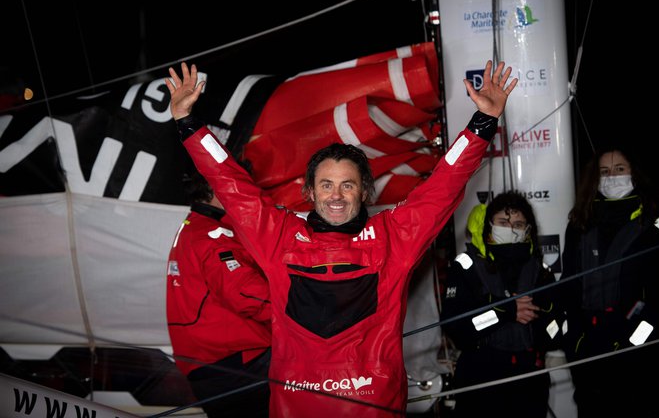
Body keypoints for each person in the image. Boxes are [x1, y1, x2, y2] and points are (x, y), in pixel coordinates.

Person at [165, 59, 517, 417]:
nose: (336, 196)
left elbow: (445, 183)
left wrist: (483, 123)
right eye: (326, 185)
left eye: (347, 185)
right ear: (310, 192)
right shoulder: (279, 237)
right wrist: (188, 124)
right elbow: (228, 180)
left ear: (364, 191)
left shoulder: (393, 237)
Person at [440, 190, 563, 418]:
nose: (511, 229)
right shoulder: (467, 267)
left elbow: (556, 327)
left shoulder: (540, 271)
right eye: (503, 222)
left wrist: (538, 320)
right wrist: (506, 311)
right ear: (489, 225)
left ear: (528, 229)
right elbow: (456, 328)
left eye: (518, 223)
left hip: (529, 382)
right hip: (480, 381)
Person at [560, 146, 659, 417]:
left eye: (619, 170)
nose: (612, 177)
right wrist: (576, 341)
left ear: (634, 175)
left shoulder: (653, 225)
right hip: (589, 348)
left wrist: (633, 343)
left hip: (637, 352)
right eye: (604, 172)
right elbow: (568, 285)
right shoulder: (579, 223)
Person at [166, 169, 271, 417]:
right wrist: (300, 311)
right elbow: (247, 295)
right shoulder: (213, 237)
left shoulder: (193, 226)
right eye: (239, 186)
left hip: (209, 363)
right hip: (235, 361)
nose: (244, 194)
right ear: (215, 189)